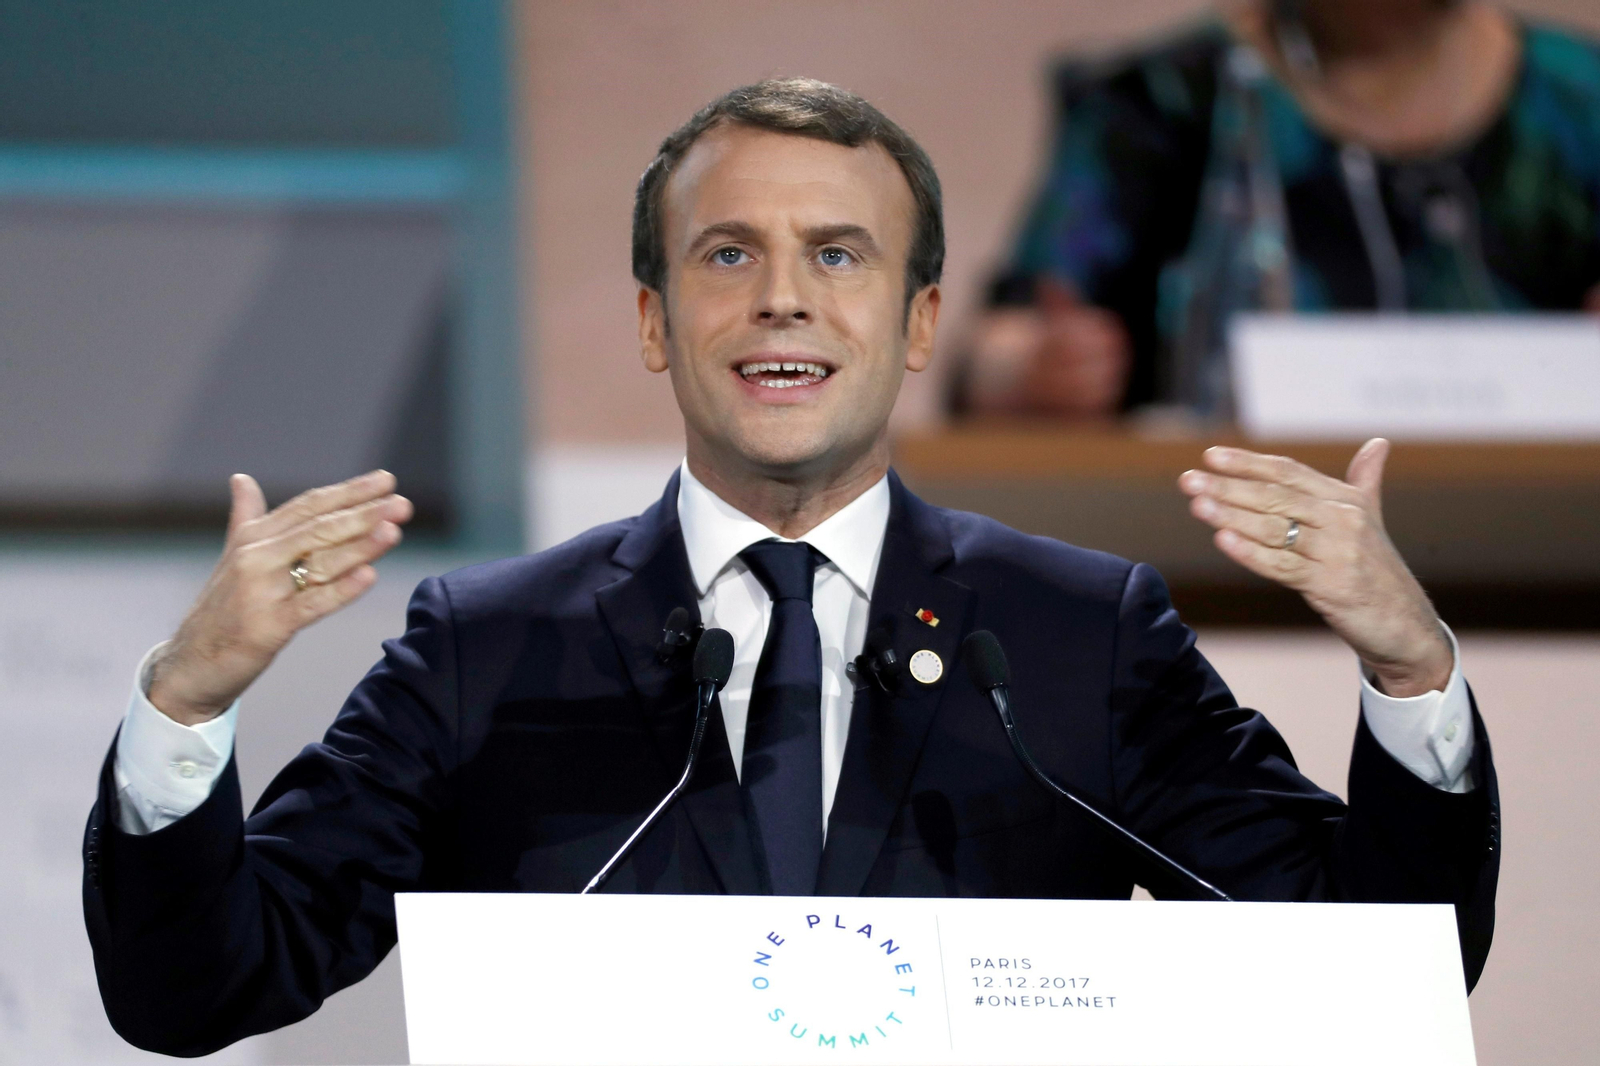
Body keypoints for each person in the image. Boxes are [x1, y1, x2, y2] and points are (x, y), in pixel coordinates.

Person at [83, 78, 1498, 1057]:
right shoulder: (482, 645)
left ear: (921, 317)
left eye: (839, 253)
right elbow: (195, 988)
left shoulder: (1081, 634)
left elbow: (1375, 963)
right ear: (654, 320)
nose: (783, 297)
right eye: (726, 254)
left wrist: (1410, 672)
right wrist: (186, 707)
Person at [961, 0, 1600, 417]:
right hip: (1229, 557)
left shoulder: (1579, 96)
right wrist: (1035, 369)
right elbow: (998, 348)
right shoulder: (1167, 97)